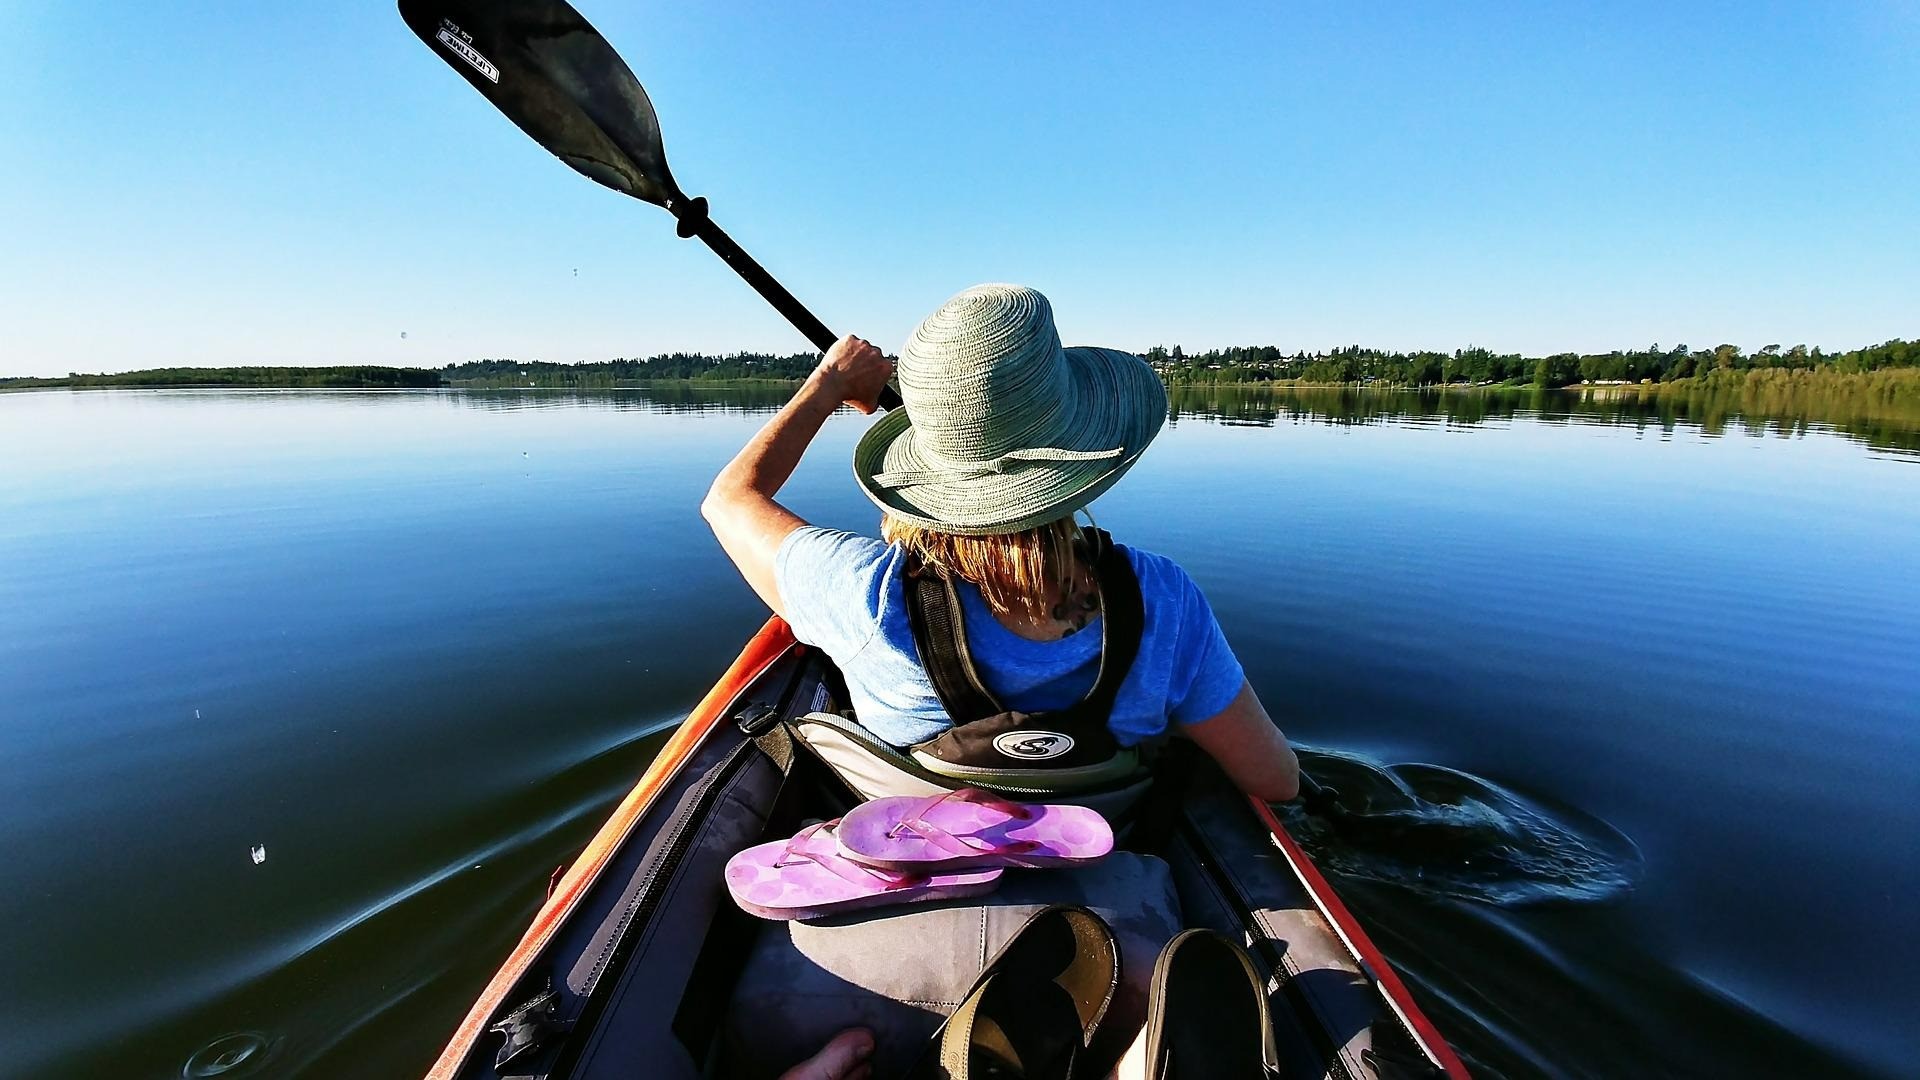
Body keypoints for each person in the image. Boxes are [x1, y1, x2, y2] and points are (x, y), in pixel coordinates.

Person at [701, 283, 1298, 803]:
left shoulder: (862, 593)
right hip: (1110, 873)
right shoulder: (1164, 600)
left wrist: (829, 382)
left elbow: (728, 500)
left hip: (923, 874)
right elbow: (1277, 781)